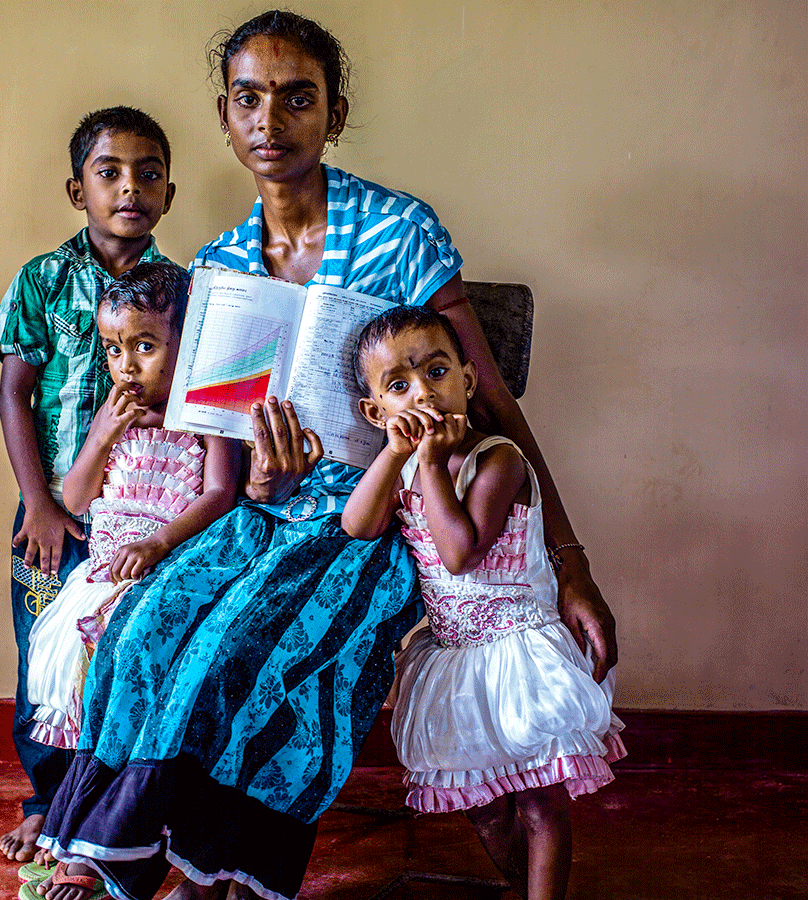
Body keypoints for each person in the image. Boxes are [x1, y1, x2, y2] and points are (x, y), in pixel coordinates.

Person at [36, 11, 617, 900]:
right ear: (226, 118)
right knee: (144, 630)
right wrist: (266, 476)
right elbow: (229, 465)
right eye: (248, 100)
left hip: (374, 527)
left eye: (297, 98)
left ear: (333, 114)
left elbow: (490, 398)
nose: (271, 120)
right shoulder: (220, 268)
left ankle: (218, 867)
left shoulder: (398, 231)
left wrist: (570, 563)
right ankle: (150, 858)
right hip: (258, 517)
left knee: (242, 647)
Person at [343, 306, 626, 900]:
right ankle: (522, 886)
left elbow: (459, 554)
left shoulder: (498, 459)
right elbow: (358, 525)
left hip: (520, 652)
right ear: (376, 413)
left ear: (468, 381)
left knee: (539, 800)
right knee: (484, 807)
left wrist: (426, 465)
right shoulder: (400, 466)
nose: (424, 393)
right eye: (399, 386)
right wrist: (395, 458)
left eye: (437, 371)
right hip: (455, 659)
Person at [0, 106, 177, 863]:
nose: (130, 187)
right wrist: (38, 502)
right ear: (78, 190)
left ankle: (116, 814)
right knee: (47, 656)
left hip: (153, 511)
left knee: (132, 659)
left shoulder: (184, 290)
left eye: (148, 173)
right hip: (61, 511)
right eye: (109, 172)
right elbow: (15, 394)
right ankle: (47, 800)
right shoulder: (41, 281)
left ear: (169, 191)